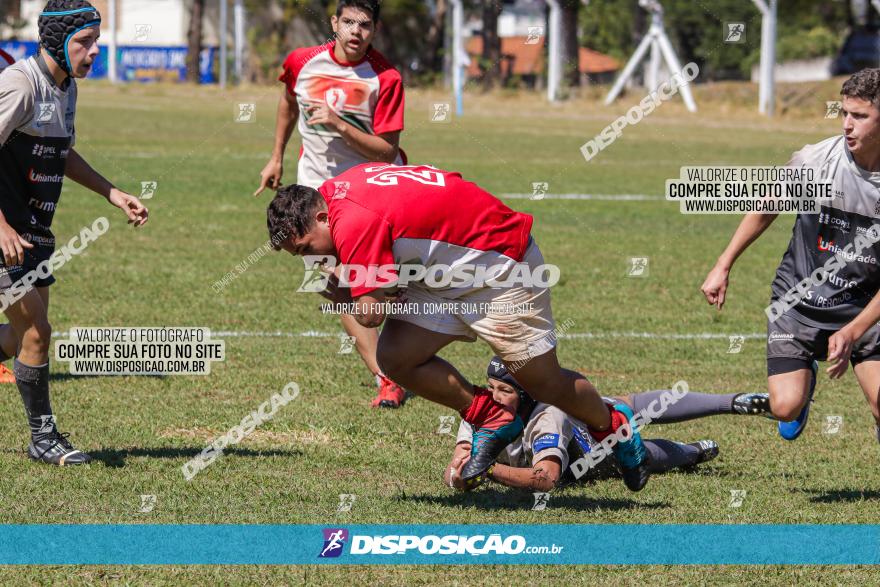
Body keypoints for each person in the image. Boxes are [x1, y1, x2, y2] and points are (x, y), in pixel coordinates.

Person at [267, 162, 654, 491]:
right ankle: (489, 415)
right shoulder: (335, 192)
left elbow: (369, 314)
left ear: (320, 216)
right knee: (396, 358)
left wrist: (339, 290)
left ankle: (613, 423)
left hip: (498, 266)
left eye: (305, 248)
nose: (309, 258)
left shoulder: (352, 221)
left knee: (542, 382)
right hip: (444, 272)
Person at [0, 0, 149, 465]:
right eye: (84, 42)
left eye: (96, 41)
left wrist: (112, 193)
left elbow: (61, 151)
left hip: (33, 227)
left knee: (22, 335)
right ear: (56, 41)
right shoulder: (20, 86)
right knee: (37, 332)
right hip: (6, 231)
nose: (94, 51)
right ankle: (43, 438)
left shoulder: (65, 89)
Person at [702, 68, 880, 443]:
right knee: (785, 407)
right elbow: (768, 203)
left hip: (865, 305)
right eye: (844, 113)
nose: (847, 125)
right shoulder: (816, 161)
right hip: (799, 299)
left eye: (860, 116)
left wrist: (853, 330)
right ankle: (803, 383)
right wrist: (724, 262)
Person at [254, 0, 408, 409]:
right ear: (335, 23)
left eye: (366, 25)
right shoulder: (302, 62)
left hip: (369, 192)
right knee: (330, 282)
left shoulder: (385, 77)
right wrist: (276, 156)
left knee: (379, 284)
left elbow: (387, 151)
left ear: (374, 30)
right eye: (350, 23)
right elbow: (289, 101)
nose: (357, 32)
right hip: (316, 189)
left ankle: (402, 347)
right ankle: (386, 376)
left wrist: (339, 123)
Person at [445, 357, 771, 492]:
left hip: (592, 442)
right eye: (491, 388)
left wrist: (487, 471)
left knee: (626, 411)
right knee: (640, 456)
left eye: (505, 390)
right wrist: (458, 476)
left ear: (528, 395)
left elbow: (546, 479)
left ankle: (734, 401)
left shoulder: (548, 416)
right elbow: (458, 461)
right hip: (590, 462)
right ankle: (692, 451)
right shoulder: (481, 410)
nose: (495, 397)